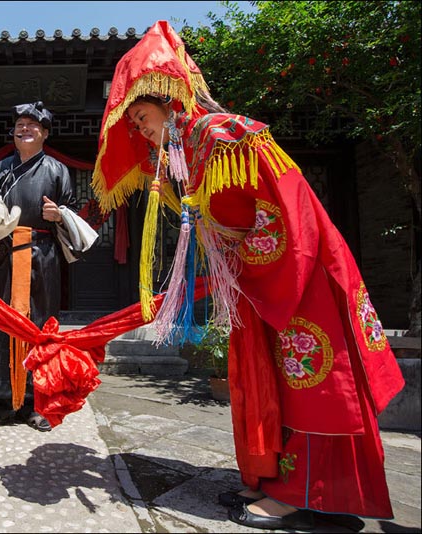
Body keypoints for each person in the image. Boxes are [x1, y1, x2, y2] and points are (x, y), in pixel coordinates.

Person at [91, 21, 405, 531]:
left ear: (173, 102)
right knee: (264, 382)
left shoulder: (231, 136)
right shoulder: (189, 153)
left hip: (298, 281)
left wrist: (243, 257)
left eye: (145, 118)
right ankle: (270, 478)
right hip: (260, 287)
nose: (142, 132)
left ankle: (308, 496)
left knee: (315, 382)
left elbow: (290, 211)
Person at [0, 101, 89, 433]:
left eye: (33, 125)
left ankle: (36, 402)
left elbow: (72, 213)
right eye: (20, 124)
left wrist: (59, 215)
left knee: (38, 328)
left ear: (45, 134)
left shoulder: (58, 169)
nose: (25, 129)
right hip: (0, 255)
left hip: (41, 254)